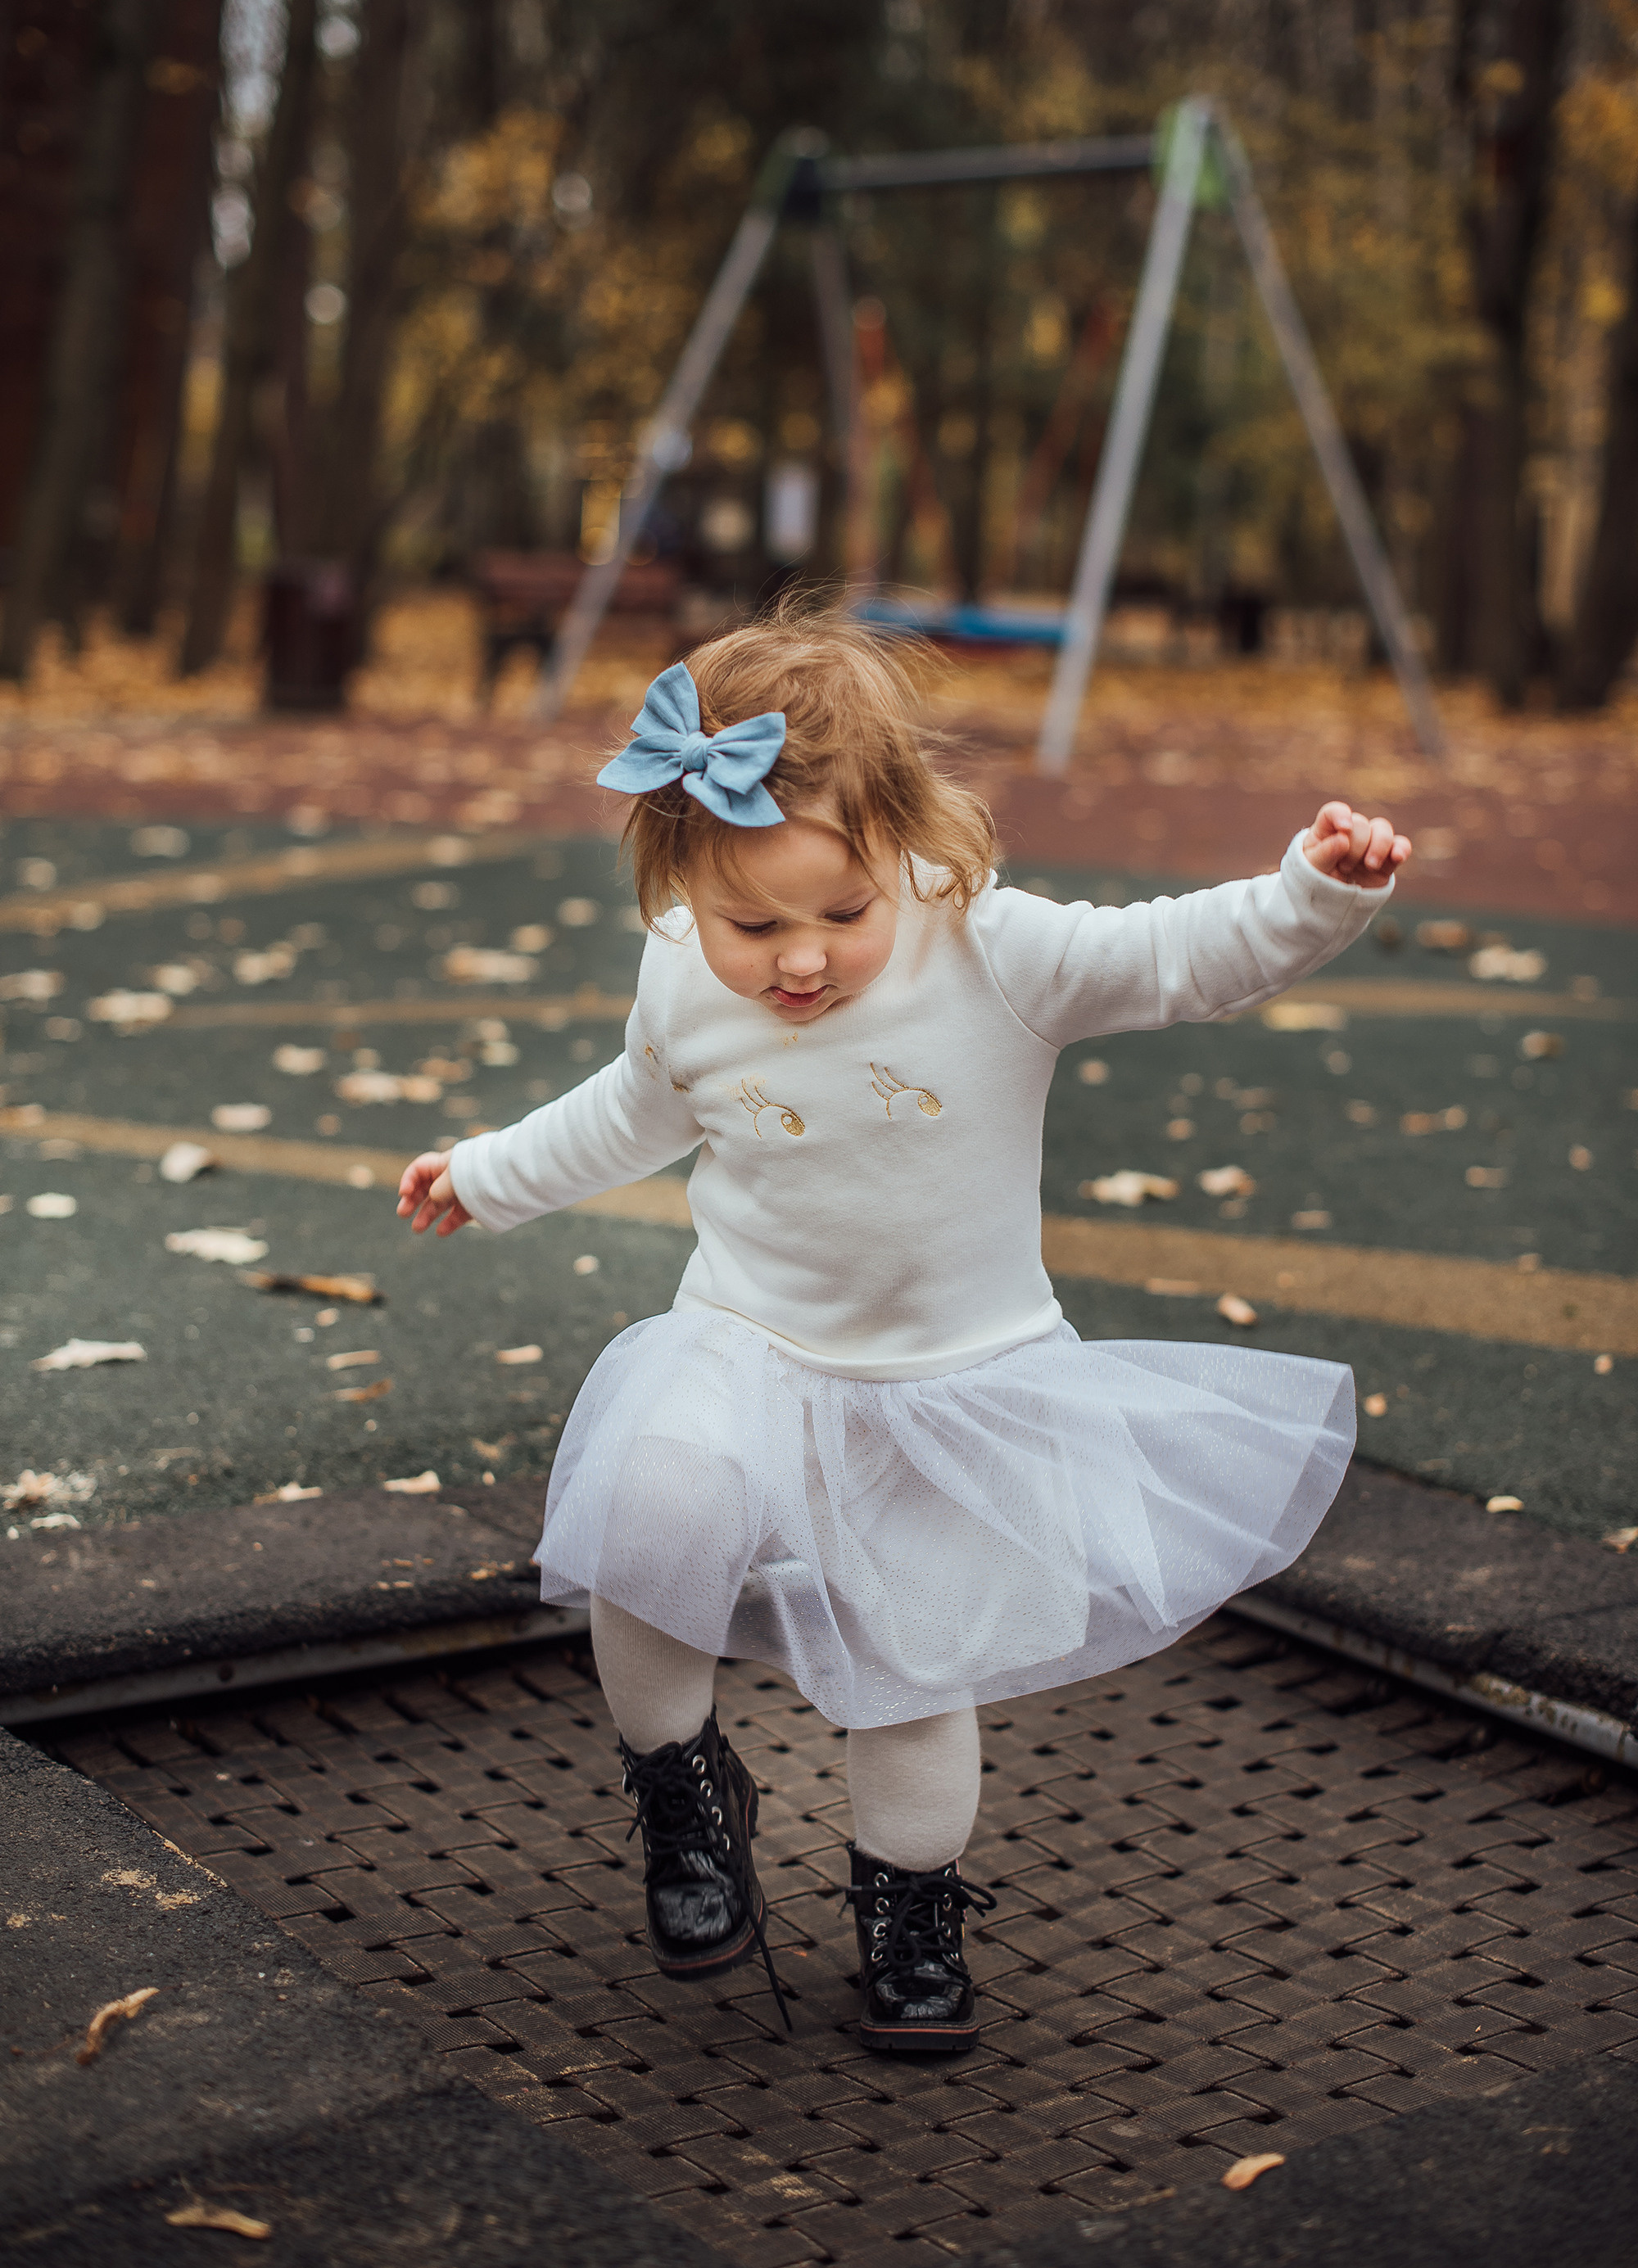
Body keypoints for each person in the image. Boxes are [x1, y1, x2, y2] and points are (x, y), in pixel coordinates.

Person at [398, 611, 1409, 2057]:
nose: (800, 961)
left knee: (913, 1670)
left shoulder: (993, 949)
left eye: (842, 914)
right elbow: (629, 1111)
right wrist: (484, 1176)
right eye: (756, 926)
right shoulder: (684, 968)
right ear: (682, 882)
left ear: (910, 853)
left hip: (959, 1383)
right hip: (744, 1345)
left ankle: (911, 1911)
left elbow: (1178, 958)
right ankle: (684, 1793)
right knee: (647, 1513)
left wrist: (1318, 891)